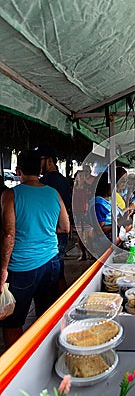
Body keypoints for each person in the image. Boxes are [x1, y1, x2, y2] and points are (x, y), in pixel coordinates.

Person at [0, 149, 70, 349]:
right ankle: (47, 356)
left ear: (17, 169)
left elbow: (8, 234)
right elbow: (65, 227)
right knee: (46, 315)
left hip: (22, 267)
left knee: (12, 321)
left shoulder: (11, 194)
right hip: (51, 263)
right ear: (40, 170)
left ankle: (19, 366)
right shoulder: (53, 193)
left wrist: (3, 269)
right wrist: (45, 230)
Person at [37, 145, 72, 294]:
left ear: (49, 161)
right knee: (59, 270)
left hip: (50, 233)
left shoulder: (44, 182)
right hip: (62, 232)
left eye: (40, 160)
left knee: (50, 276)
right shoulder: (64, 181)